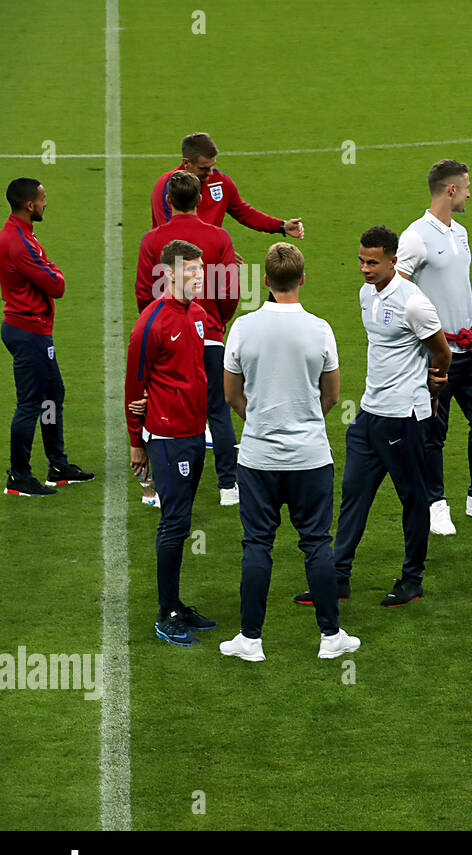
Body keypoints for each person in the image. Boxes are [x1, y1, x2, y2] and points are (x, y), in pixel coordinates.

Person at [293, 226, 451, 609]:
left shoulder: (414, 303)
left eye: (373, 262)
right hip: (368, 416)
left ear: (393, 261)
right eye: (361, 260)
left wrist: (433, 386)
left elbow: (442, 353)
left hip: (403, 420)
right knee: (353, 496)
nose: (364, 269)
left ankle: (412, 579)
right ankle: (338, 577)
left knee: (413, 500)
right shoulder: (366, 294)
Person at [219, 242, 359, 661]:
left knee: (257, 544)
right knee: (317, 542)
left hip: (259, 456)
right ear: (302, 278)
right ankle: (330, 636)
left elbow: (231, 395)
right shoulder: (320, 329)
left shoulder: (243, 328)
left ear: (265, 280)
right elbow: (330, 396)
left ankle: (251, 638)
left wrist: (260, 421)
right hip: (311, 457)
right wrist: (304, 420)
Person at [397, 158, 472, 535]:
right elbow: (397, 289)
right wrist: (424, 333)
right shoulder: (415, 236)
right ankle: (435, 502)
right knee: (434, 430)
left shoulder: (459, 233)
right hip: (437, 352)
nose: (469, 192)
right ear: (451, 190)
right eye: (466, 186)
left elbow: (453, 282)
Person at [125, 240, 218, 646]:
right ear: (169, 274)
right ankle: (166, 613)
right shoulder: (150, 323)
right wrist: (135, 441)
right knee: (175, 521)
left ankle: (176, 603)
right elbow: (134, 385)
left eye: (201, 269)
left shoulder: (197, 315)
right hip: (167, 436)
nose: (199, 276)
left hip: (195, 433)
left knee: (181, 519)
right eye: (191, 270)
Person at [136, 170, 241, 506]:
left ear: (168, 201)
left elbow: (142, 292)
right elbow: (230, 290)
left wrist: (156, 321)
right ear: (199, 199)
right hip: (208, 335)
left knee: (158, 408)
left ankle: (155, 488)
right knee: (218, 411)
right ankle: (228, 487)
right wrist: (218, 321)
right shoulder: (219, 237)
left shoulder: (153, 240)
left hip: (163, 337)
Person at [2, 178, 93, 496]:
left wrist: (51, 269)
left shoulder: (20, 232)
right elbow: (58, 285)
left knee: (53, 393)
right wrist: (55, 270)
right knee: (30, 404)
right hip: (28, 332)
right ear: (29, 205)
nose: (45, 203)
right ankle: (19, 477)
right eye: (42, 199)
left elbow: (50, 275)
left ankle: (58, 465)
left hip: (32, 328)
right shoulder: (20, 243)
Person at [150, 132, 304, 239]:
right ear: (186, 163)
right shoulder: (167, 187)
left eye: (212, 166)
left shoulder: (221, 182)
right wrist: (217, 251)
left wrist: (282, 226)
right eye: (203, 168)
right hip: (175, 271)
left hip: (210, 264)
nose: (210, 173)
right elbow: (171, 236)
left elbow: (244, 212)